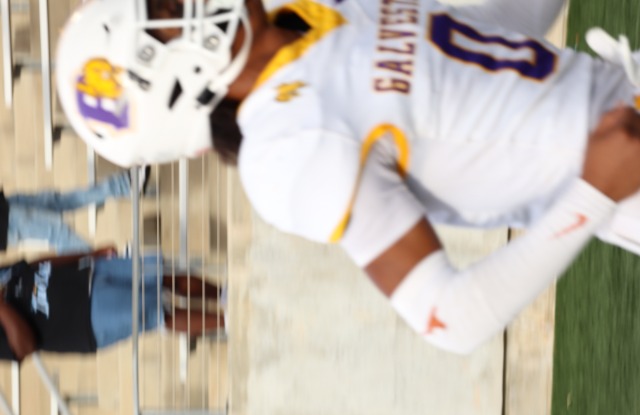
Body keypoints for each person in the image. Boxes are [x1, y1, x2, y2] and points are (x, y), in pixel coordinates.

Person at [54, 0, 640, 355]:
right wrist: (594, 192)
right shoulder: (288, 148)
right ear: (168, 83)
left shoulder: (303, 14)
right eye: (164, 12)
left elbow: (494, 31)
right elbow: (449, 317)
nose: (184, 3)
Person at [0, 248, 224, 362]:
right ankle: (229, 320)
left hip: (88, 272)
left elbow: (33, 265)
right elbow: (25, 346)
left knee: (162, 276)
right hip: (86, 317)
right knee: (160, 314)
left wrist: (90, 254)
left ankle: (225, 294)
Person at [0, 168, 150, 253]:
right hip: (5, 225)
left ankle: (125, 185)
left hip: (4, 206)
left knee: (57, 201)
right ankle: (114, 266)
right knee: (59, 232)